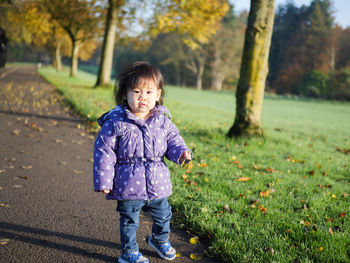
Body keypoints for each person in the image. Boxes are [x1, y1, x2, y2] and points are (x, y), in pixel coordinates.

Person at [93, 61, 192, 263]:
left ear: (158, 94)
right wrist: (104, 180)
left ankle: (160, 240)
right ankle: (129, 252)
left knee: (164, 214)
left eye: (148, 92)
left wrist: (181, 153)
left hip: (158, 183)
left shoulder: (162, 121)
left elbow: (173, 141)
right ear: (125, 95)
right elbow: (105, 152)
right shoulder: (116, 122)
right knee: (129, 220)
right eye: (136, 92)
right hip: (128, 184)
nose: (142, 98)